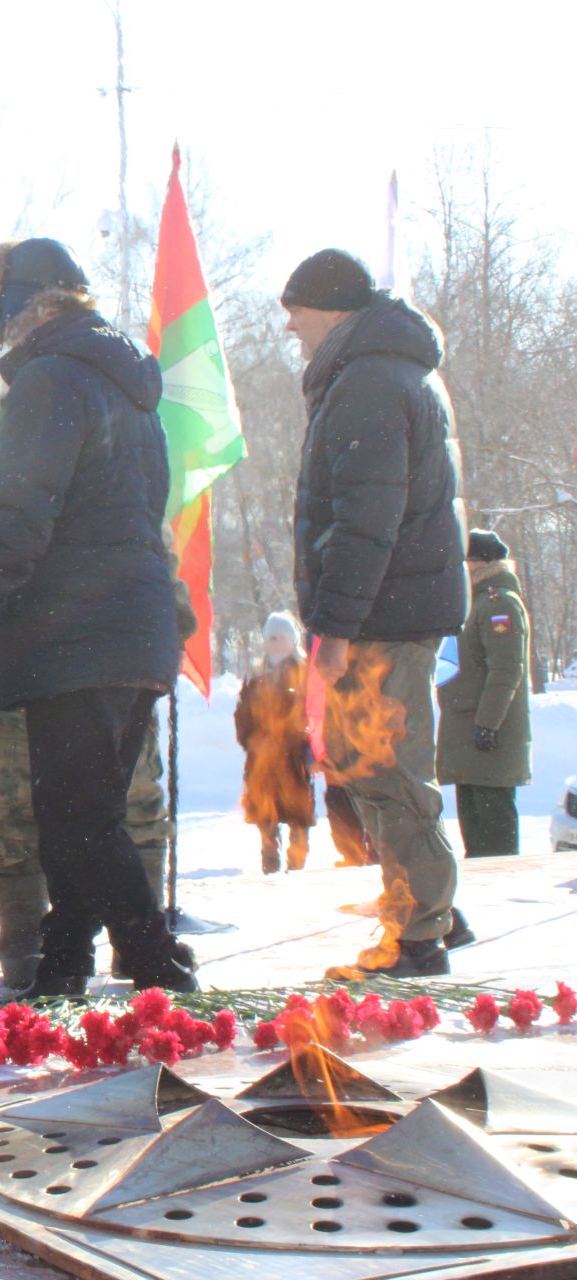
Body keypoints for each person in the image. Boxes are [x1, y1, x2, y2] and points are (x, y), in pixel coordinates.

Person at [0, 237, 194, 998]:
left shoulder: (51, 379)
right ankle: (65, 957)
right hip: (134, 622)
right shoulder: (126, 387)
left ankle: (159, 961)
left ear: (18, 307)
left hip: (74, 629)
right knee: (88, 816)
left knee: (78, 821)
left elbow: (18, 510)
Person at [0, 394, 177, 989]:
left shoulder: (94, 459)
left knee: (96, 808)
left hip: (83, 656)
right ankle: (36, 945)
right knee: (45, 808)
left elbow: (153, 547)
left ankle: (116, 942)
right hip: (32, 660)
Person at [285, 247, 468, 977]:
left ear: (331, 308)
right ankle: (430, 909)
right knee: (380, 768)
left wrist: (336, 629)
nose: (292, 325)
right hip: (391, 610)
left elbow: (365, 522)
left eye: (297, 310)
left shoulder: (368, 382)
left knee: (387, 769)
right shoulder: (387, 372)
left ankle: (420, 934)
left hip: (382, 617)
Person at [438, 529, 531, 859]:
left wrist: (487, 724)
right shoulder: (472, 603)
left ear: (478, 563)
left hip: (488, 741)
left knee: (495, 848)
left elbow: (506, 669)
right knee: (477, 845)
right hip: (471, 743)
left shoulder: (497, 604)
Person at [235, 613, 314, 874]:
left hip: (294, 756)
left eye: (281, 637)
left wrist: (304, 740)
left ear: (292, 640)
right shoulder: (257, 677)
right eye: (271, 638)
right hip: (263, 758)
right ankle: (269, 859)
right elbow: (243, 713)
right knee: (265, 812)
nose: (276, 642)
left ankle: (297, 861)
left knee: (297, 810)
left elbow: (312, 711)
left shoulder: (304, 674)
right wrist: (250, 741)